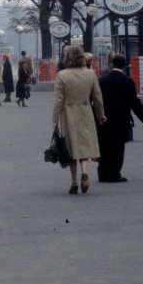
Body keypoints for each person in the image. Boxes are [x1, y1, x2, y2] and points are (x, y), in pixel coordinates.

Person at [52, 45, 106, 194]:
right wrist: (100, 115)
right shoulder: (91, 74)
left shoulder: (62, 75)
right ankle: (84, 173)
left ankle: (74, 182)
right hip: (86, 111)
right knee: (84, 145)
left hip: (69, 113)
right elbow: (98, 97)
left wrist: (54, 119)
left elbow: (58, 100)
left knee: (71, 147)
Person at [96, 55, 143, 182]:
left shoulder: (102, 80)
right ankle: (114, 174)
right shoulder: (127, 81)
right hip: (120, 119)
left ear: (112, 65)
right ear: (124, 67)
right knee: (118, 147)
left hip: (104, 118)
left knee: (104, 146)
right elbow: (134, 102)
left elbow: (96, 99)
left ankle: (103, 173)